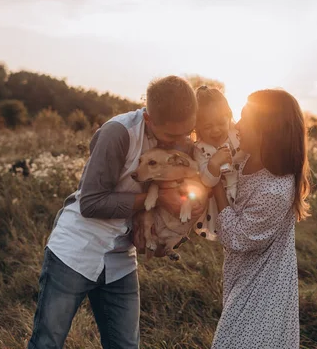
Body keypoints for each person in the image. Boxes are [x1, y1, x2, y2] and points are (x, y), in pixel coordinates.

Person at [27, 76, 207, 349]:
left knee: (125, 346)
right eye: (171, 135)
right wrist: (155, 200)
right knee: (47, 342)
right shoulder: (118, 133)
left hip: (121, 259)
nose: (181, 141)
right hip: (75, 252)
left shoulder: (181, 142)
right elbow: (91, 203)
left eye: (188, 132)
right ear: (149, 119)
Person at [210, 89, 311, 349]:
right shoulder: (246, 159)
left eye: (245, 119)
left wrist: (214, 185)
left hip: (264, 292)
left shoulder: (275, 189)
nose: (238, 125)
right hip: (243, 280)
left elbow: (237, 238)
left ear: (268, 131)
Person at [192, 85, 244, 241]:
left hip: (245, 194)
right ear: (197, 127)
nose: (216, 130)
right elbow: (207, 181)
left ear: (228, 116)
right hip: (222, 204)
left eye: (221, 123)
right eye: (208, 126)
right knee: (230, 238)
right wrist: (213, 165)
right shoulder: (200, 149)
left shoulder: (237, 135)